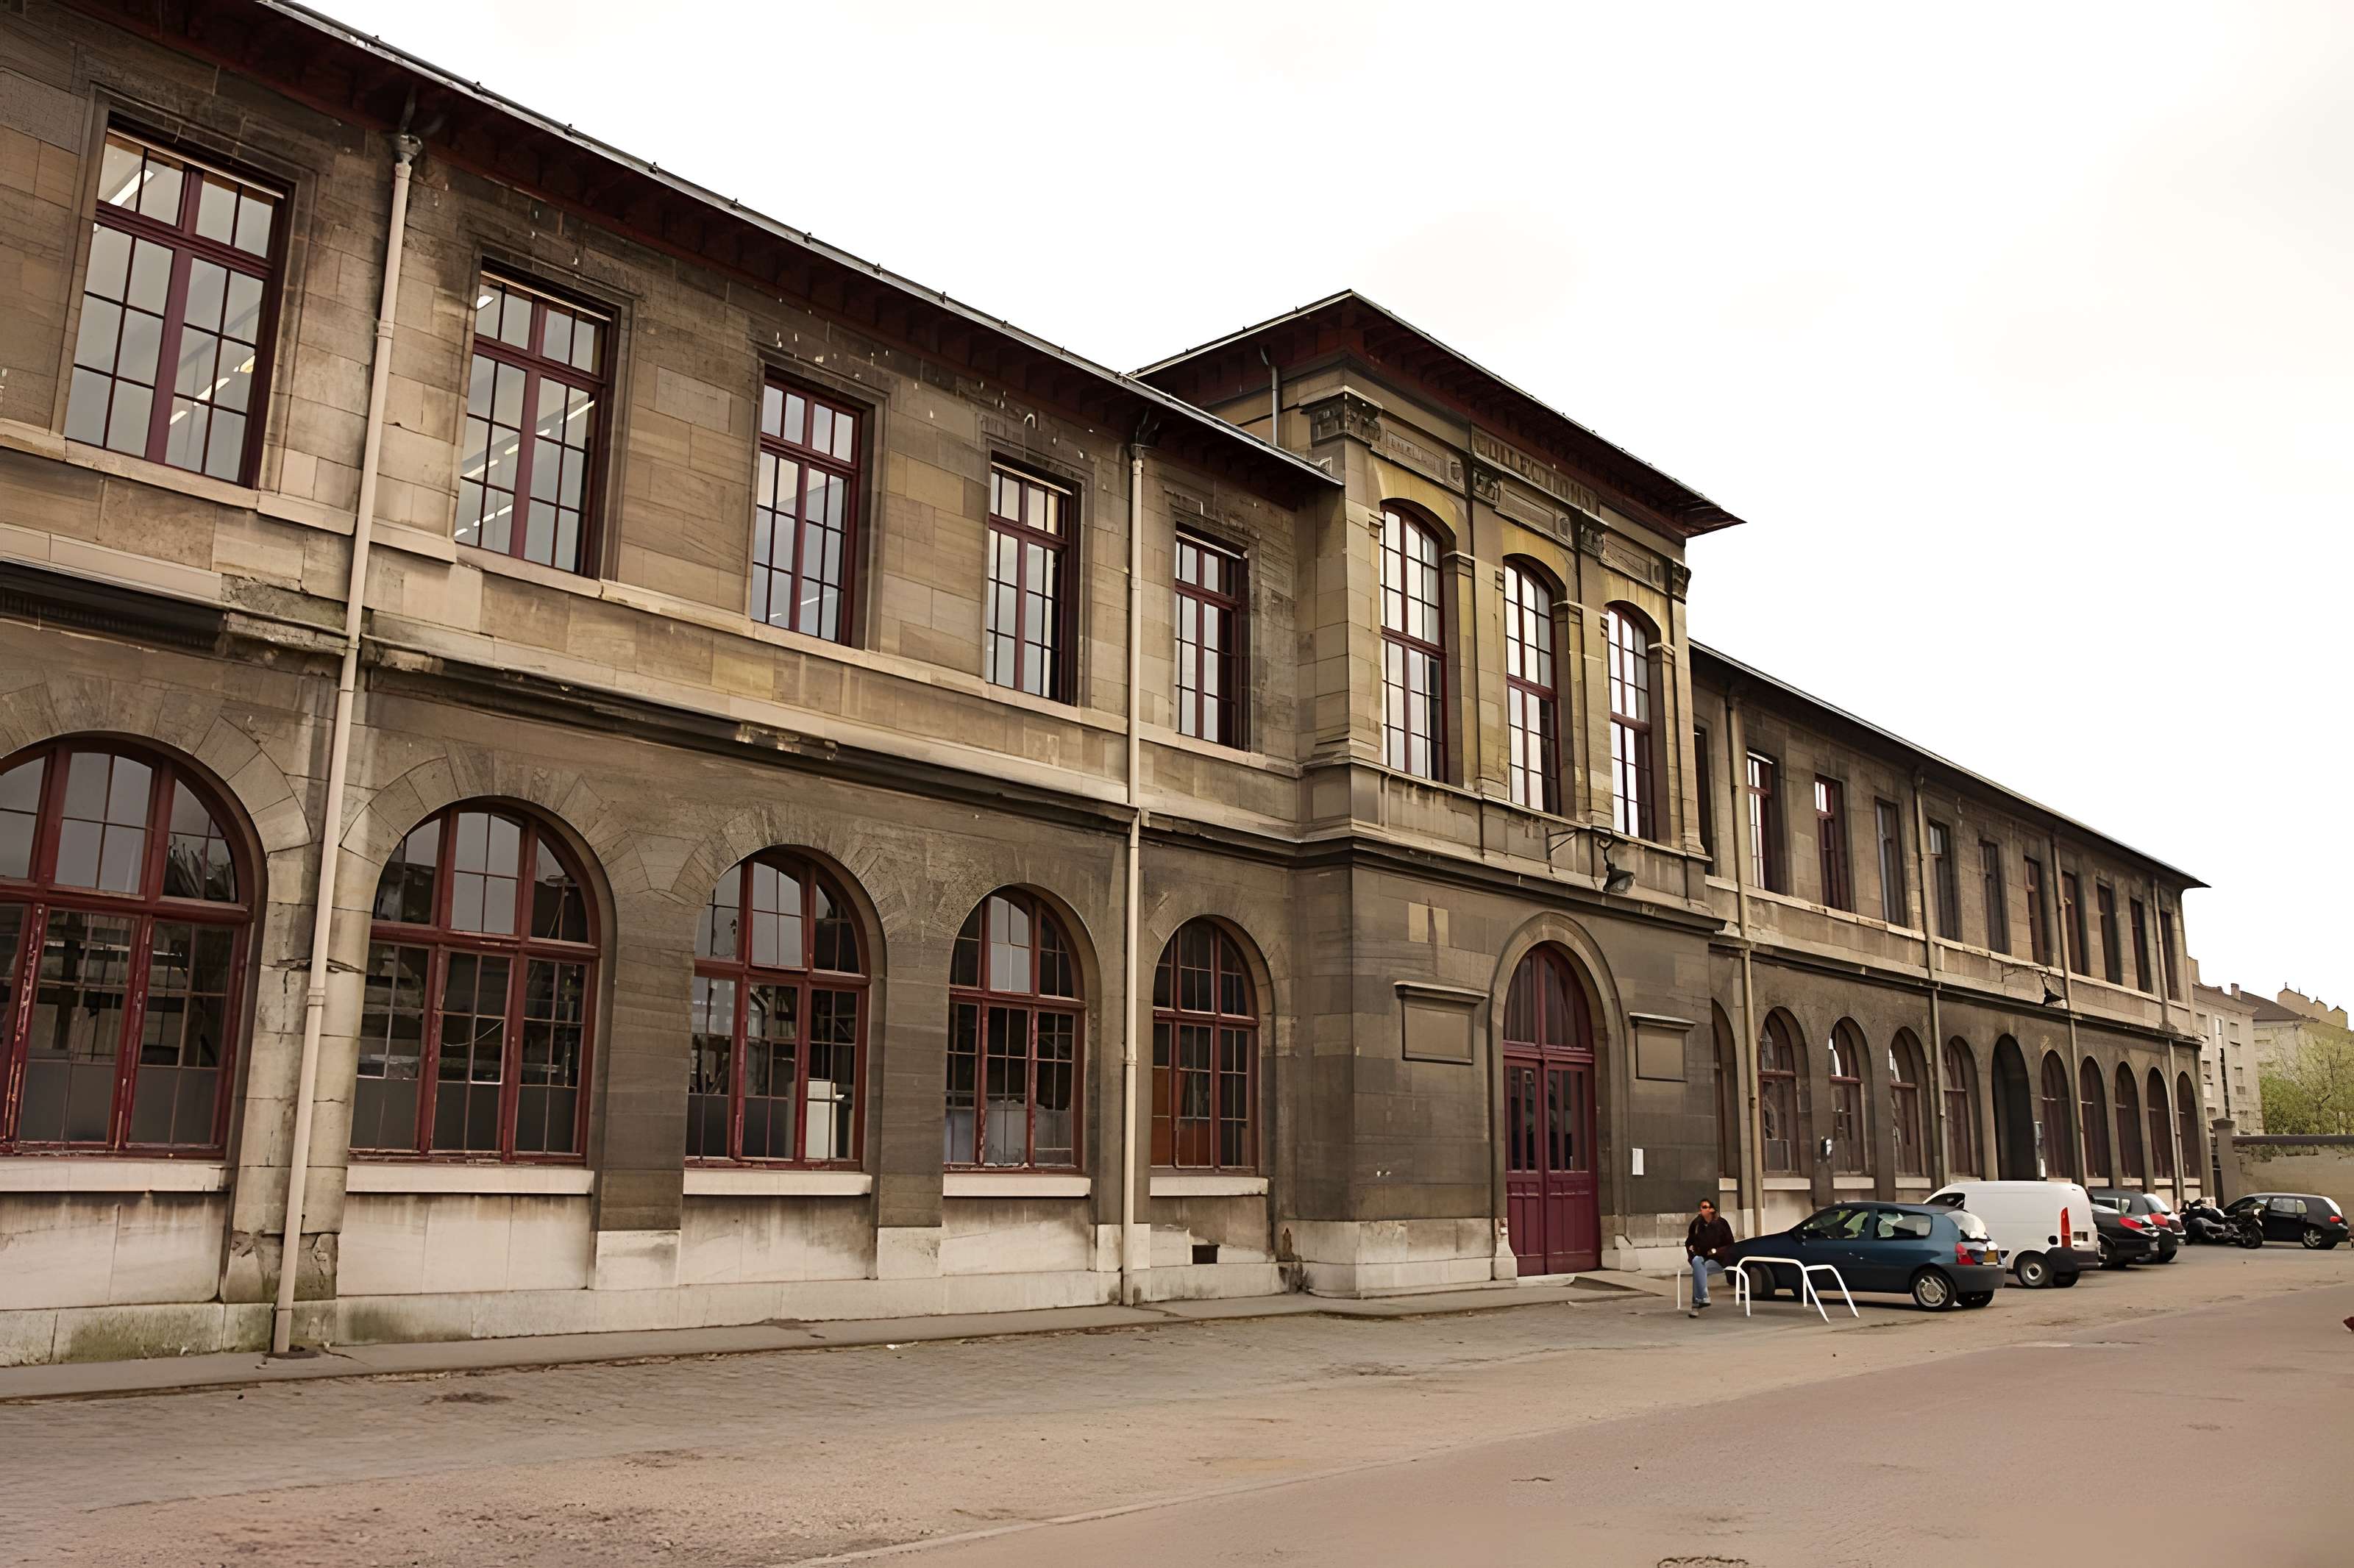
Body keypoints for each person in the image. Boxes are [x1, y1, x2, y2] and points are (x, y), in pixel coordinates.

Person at [1686, 1197, 1736, 1317]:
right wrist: (1692, 1251)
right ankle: (1703, 1298)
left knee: (1699, 1270)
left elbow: (1730, 1245)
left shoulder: (1721, 1223)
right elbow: (1689, 1242)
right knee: (1698, 1263)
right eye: (1701, 1207)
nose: (1702, 1210)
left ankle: (1696, 1305)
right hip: (1702, 1257)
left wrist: (1715, 1251)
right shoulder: (1697, 1224)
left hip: (1719, 1260)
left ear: (1712, 1209)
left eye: (1705, 1207)